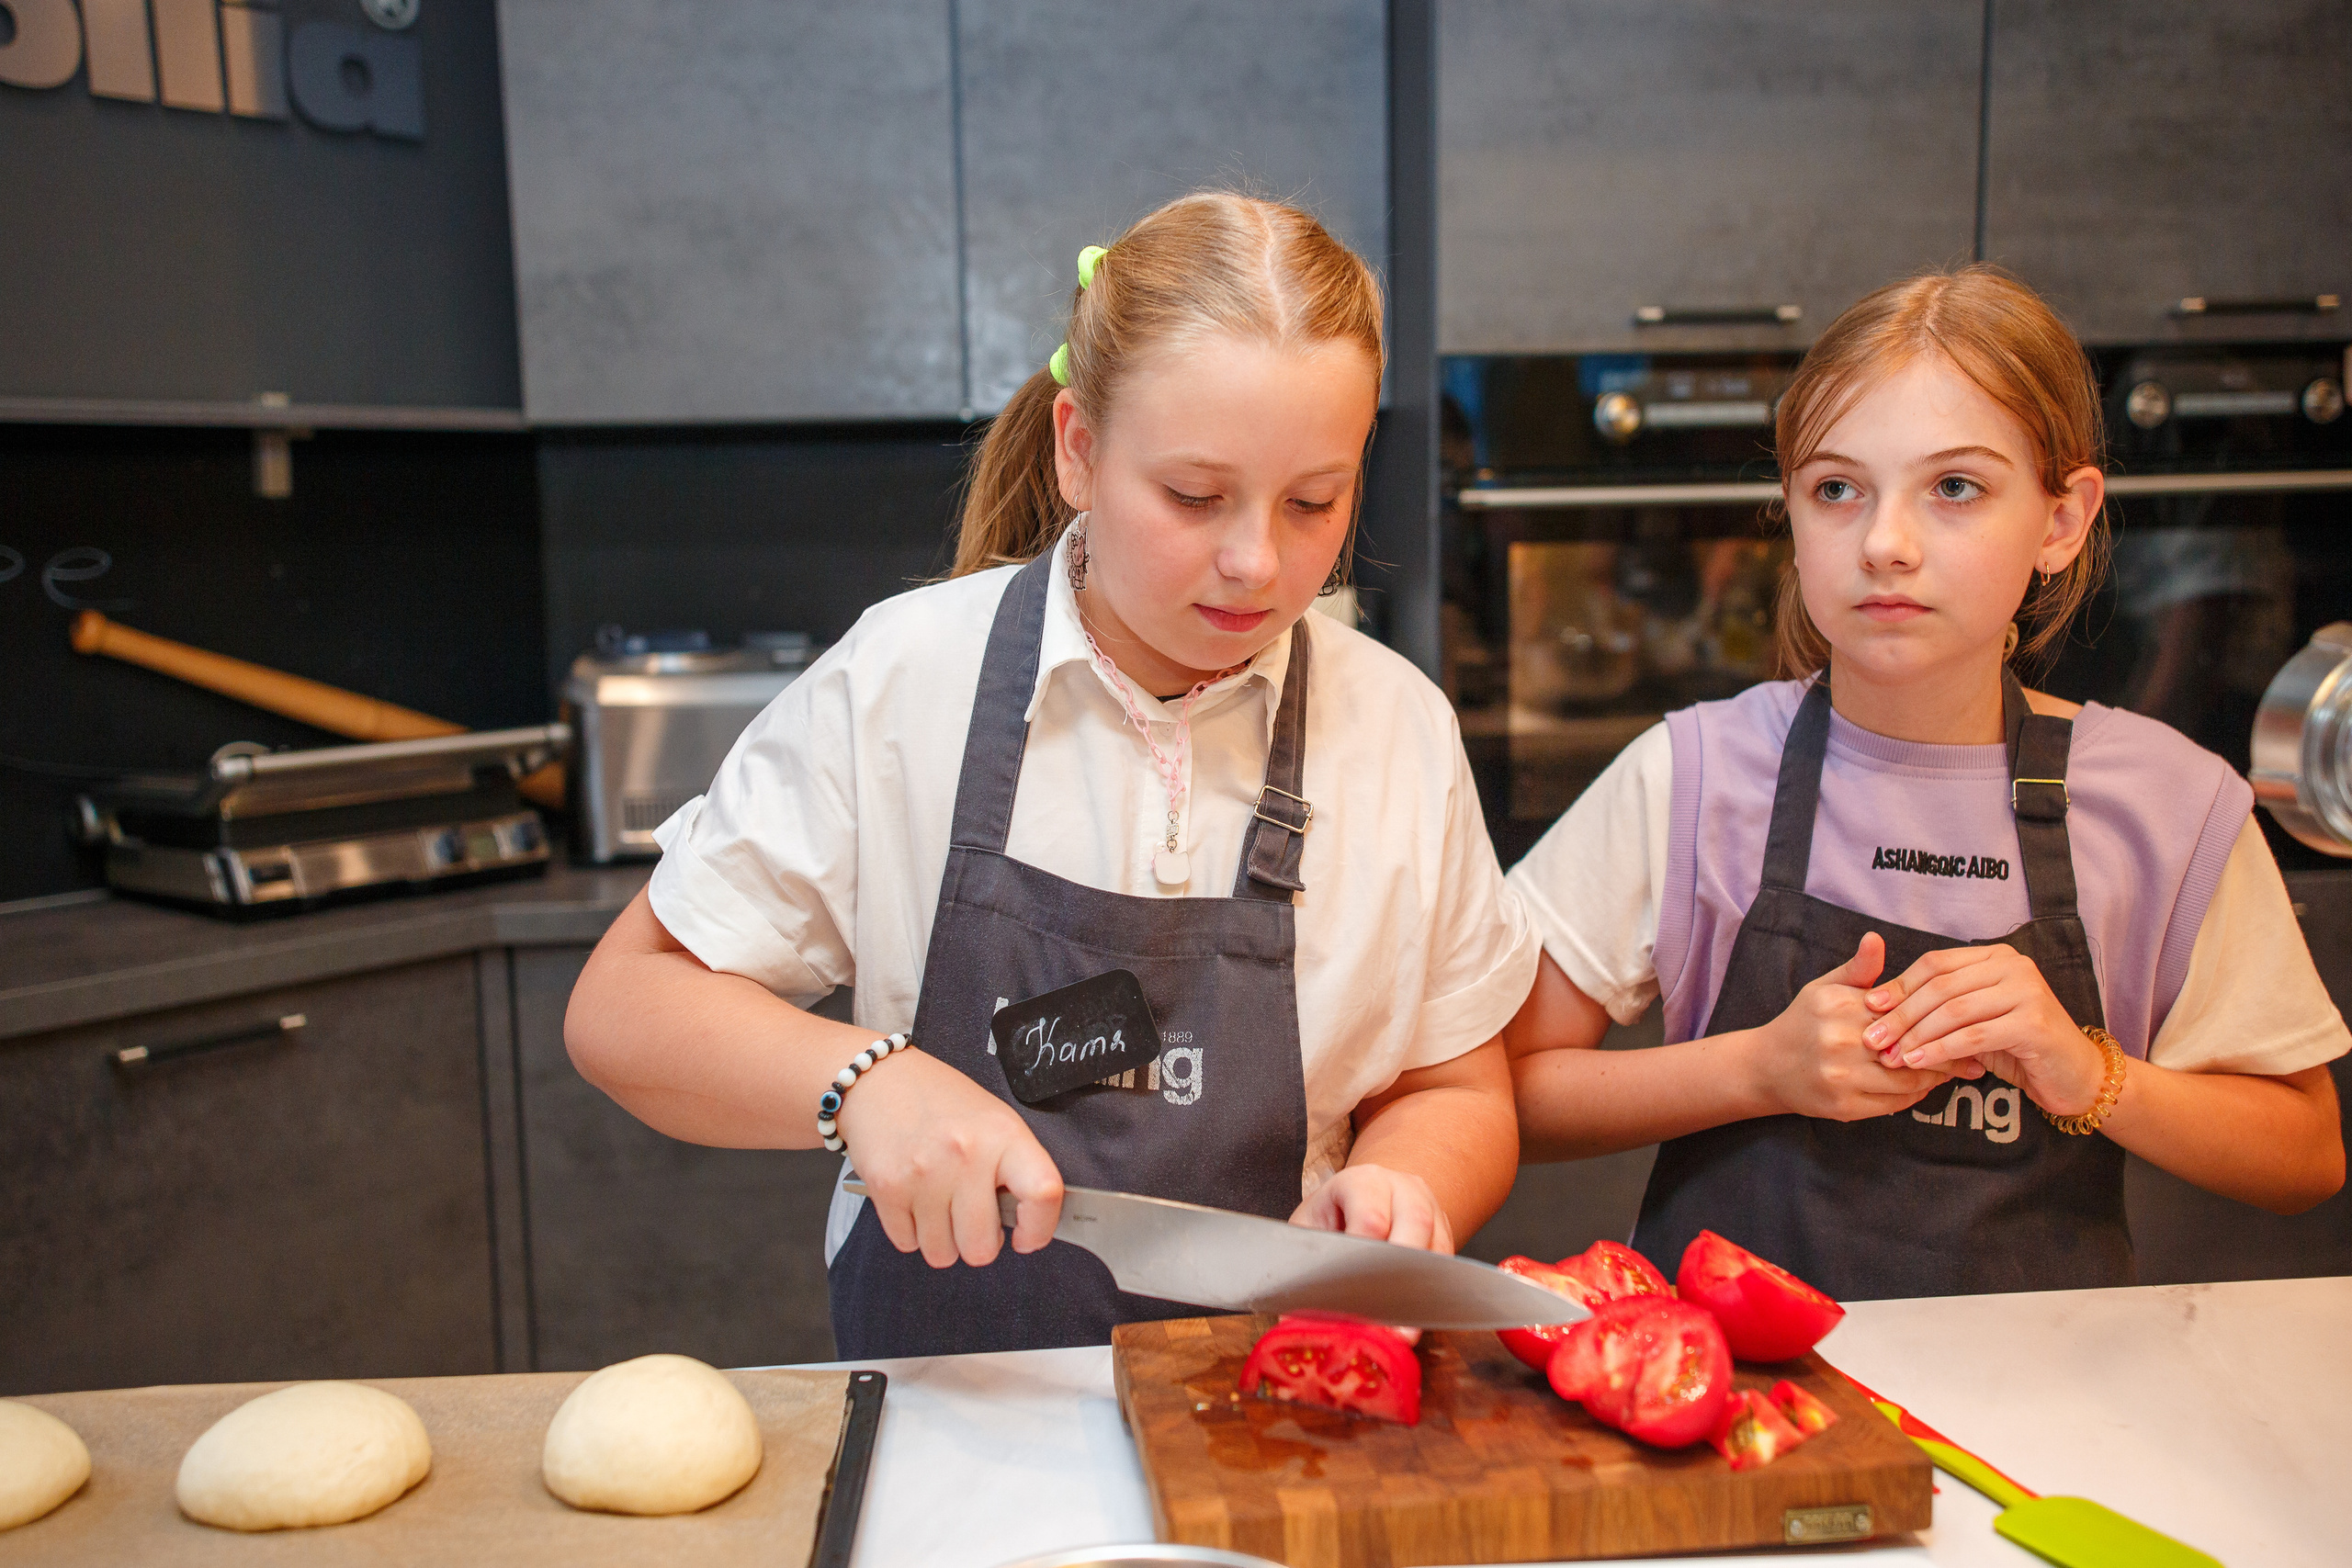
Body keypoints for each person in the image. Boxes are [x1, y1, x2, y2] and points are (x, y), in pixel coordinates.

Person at [565, 192, 1538, 1356]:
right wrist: (862, 1082)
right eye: (1193, 496)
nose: (1255, 561)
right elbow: (623, 1011)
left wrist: (1401, 1186)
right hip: (958, 1421)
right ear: (1079, 449)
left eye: (1314, 502)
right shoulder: (903, 679)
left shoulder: (1397, 729)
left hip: (1290, 1412)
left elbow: (1458, 1089)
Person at [1502, 266, 2347, 1299]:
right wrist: (1759, 1070)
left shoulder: (2170, 808)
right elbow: (1505, 1095)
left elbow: (2305, 1155)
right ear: (1792, 516)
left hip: (2041, 1419)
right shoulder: (1693, 774)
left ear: (2061, 520)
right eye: (1836, 490)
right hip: (1742, 1420)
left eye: (1954, 488)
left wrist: (2083, 1071)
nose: (1884, 544)